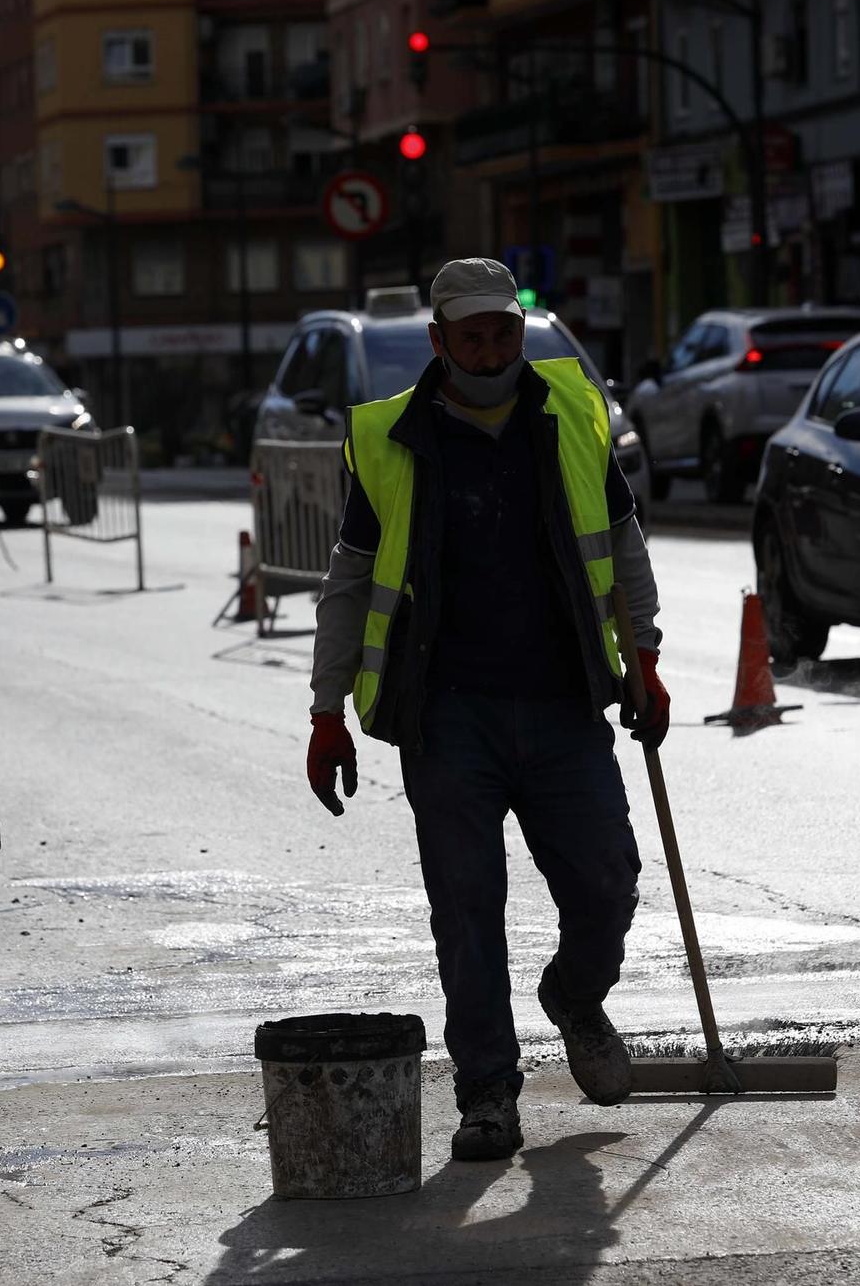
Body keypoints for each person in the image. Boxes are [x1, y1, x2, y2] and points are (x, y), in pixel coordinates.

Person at [305, 257, 670, 1162]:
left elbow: (621, 543)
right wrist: (325, 710)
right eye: (473, 334)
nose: (492, 347)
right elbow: (350, 583)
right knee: (467, 909)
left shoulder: (570, 412)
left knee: (607, 882)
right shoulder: (393, 437)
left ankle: (576, 996)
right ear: (439, 340)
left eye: (505, 330)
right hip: (449, 717)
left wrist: (647, 657)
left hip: (562, 703)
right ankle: (488, 1095)